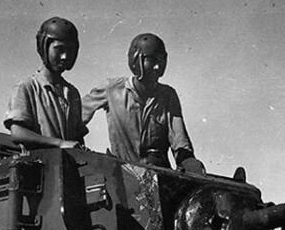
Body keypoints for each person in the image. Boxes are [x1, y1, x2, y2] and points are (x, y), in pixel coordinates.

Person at [81, 33, 205, 173]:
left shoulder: (168, 95)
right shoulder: (112, 89)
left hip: (160, 174)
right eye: (152, 60)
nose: (157, 67)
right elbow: (75, 118)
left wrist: (188, 160)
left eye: (161, 60)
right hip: (122, 174)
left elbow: (179, 140)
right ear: (136, 60)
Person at [4, 17, 88, 149]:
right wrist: (60, 143)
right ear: (44, 48)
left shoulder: (72, 93)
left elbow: (78, 139)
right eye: (59, 49)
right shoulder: (27, 88)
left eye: (70, 50)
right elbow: (18, 133)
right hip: (39, 161)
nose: (65, 56)